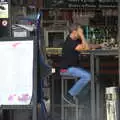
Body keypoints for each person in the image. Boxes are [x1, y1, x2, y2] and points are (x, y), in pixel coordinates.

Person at [60, 23, 103, 104]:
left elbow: (87, 45)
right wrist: (82, 35)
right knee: (88, 76)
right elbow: (86, 48)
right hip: (66, 69)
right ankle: (69, 95)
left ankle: (79, 98)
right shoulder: (70, 42)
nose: (81, 32)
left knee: (94, 77)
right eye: (80, 31)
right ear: (74, 32)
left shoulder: (76, 40)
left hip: (74, 67)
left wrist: (99, 45)